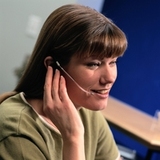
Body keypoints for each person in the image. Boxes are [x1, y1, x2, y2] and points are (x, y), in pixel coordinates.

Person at [0, 4, 127, 160]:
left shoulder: (86, 111)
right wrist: (73, 137)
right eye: (94, 64)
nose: (110, 77)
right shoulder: (17, 132)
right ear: (52, 66)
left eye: (113, 62)